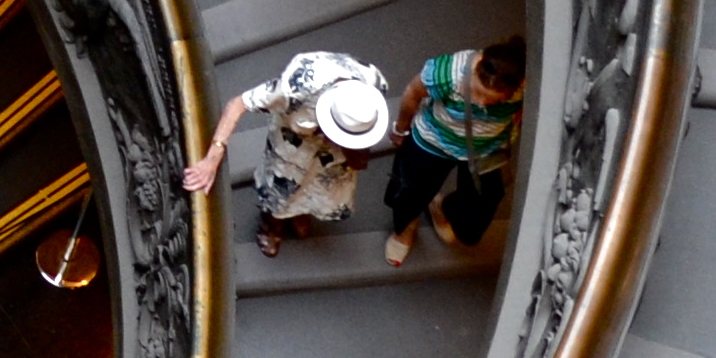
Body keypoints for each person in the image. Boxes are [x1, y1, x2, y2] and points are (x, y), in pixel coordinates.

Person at [182, 48, 391, 259]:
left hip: (331, 159)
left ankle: (300, 211)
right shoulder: (296, 88)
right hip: (293, 150)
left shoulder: (371, 87)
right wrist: (212, 158)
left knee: (324, 189)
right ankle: (272, 224)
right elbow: (238, 104)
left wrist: (351, 146)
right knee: (281, 189)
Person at [382, 38, 527, 267]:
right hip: (435, 140)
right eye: (477, 92)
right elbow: (412, 93)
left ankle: (442, 206)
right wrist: (401, 129)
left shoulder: (526, 86)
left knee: (485, 197)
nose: (481, 102)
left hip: (485, 148)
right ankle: (406, 226)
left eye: (492, 99)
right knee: (410, 190)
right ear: (477, 66)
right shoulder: (449, 73)